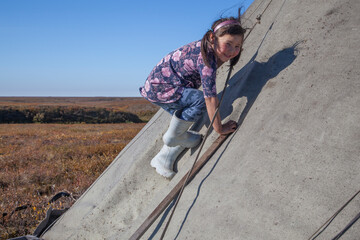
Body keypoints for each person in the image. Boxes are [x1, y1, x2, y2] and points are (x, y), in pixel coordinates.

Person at [139, 15, 246, 178]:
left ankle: (163, 158)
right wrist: (219, 128)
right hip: (162, 88)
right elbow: (210, 98)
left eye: (237, 46)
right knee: (199, 101)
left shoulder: (205, 47)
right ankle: (172, 137)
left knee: (186, 122)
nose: (232, 51)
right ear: (212, 38)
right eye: (228, 44)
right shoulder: (207, 59)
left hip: (158, 88)